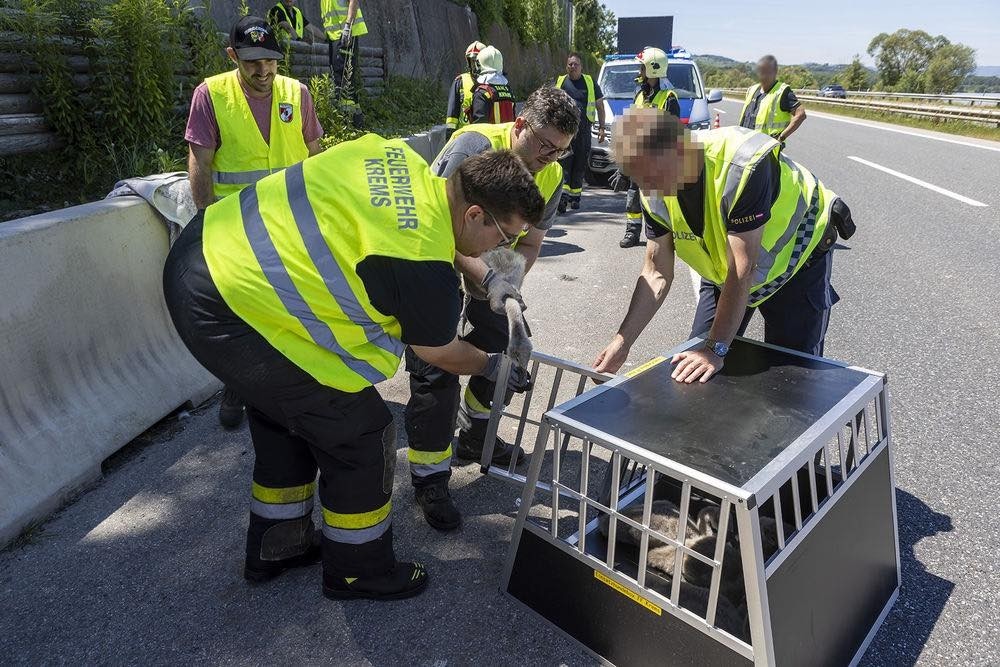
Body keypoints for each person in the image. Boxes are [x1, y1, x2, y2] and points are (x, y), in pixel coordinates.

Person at [163, 134, 543, 601]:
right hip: (229, 310)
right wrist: (493, 365)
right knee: (359, 432)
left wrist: (489, 276)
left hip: (205, 252)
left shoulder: (400, 159)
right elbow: (438, 351)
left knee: (287, 418)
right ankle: (357, 571)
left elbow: (421, 232)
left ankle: (277, 547)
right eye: (503, 238)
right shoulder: (424, 267)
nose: (501, 247)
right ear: (474, 214)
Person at [405, 87, 579, 531]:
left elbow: (532, 242)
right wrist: (483, 276)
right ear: (520, 124)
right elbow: (437, 227)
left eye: (560, 150)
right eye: (542, 144)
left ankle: (476, 439)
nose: (548, 157)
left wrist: (507, 289)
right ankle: (429, 477)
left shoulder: (552, 175)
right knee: (437, 366)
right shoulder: (474, 146)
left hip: (493, 262)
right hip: (437, 260)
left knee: (505, 349)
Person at [594, 107, 855, 382]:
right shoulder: (651, 187)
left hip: (795, 263)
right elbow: (656, 272)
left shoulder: (743, 165)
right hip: (725, 271)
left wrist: (716, 348)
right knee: (692, 367)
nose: (648, 188)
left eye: (652, 175)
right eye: (639, 178)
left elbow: (743, 268)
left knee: (791, 376)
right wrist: (622, 343)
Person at [185, 15, 324, 429]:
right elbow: (201, 163)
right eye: (251, 64)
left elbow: (315, 155)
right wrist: (206, 224)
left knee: (296, 308)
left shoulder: (296, 94)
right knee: (243, 315)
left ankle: (298, 385)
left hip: (290, 224)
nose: (263, 72)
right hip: (238, 228)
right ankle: (237, 385)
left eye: (270, 62)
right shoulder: (211, 94)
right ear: (233, 56)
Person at [619, 46, 681, 249]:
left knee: (657, 202)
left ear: (653, 69)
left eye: (642, 67)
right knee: (633, 198)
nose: (639, 71)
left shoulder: (669, 98)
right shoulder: (640, 93)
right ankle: (632, 232)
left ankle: (660, 237)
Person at [555, 52, 606, 213]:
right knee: (564, 164)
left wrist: (602, 128)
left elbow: (600, 106)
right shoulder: (561, 82)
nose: (573, 67)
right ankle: (562, 197)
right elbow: (552, 104)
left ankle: (575, 198)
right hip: (565, 132)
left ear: (581, 66)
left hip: (584, 131)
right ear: (566, 66)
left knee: (579, 165)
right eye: (570, 64)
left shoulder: (590, 82)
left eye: (576, 64)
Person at [738, 55, 807, 145]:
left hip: (766, 149)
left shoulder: (782, 91)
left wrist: (781, 137)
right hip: (745, 143)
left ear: (774, 72)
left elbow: (801, 114)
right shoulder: (752, 90)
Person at [322, 0, 366, 95]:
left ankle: (347, 103)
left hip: (345, 34)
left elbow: (353, 1)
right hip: (334, 36)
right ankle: (344, 101)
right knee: (336, 71)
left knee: (343, 71)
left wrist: (348, 27)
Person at [445, 41, 487, 139]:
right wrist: (449, 139)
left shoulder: (492, 81)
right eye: (471, 61)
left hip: (486, 137)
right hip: (463, 138)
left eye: (477, 61)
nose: (474, 65)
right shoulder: (460, 82)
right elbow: (452, 117)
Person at [468, 46, 516, 125]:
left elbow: (479, 125)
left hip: (489, 137)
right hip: (507, 136)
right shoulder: (508, 91)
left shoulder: (482, 93)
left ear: (480, 64)